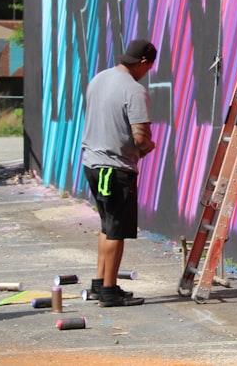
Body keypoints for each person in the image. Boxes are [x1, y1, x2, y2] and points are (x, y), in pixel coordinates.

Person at [80, 38, 158, 307]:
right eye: (148, 68)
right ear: (144, 63)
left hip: (92, 163)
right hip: (115, 169)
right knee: (116, 230)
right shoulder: (134, 90)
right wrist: (149, 147)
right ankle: (110, 291)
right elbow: (140, 137)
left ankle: (100, 283)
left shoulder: (99, 79)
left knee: (107, 224)